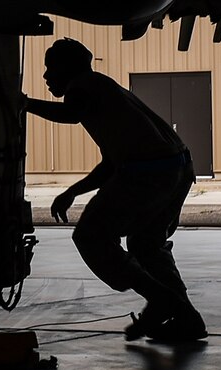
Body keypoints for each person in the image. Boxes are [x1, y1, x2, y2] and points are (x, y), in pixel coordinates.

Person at [24, 38, 206, 343]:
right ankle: (187, 318)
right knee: (146, 245)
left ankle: (162, 299)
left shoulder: (82, 88)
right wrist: (73, 192)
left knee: (90, 236)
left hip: (149, 175)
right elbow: (112, 164)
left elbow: (70, 114)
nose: (45, 77)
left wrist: (25, 104)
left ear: (68, 69)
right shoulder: (104, 90)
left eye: (49, 69)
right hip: (177, 169)